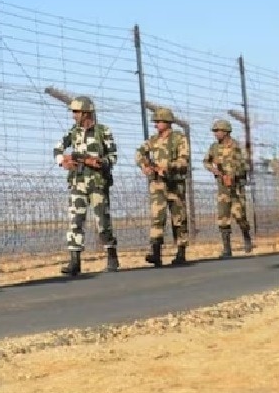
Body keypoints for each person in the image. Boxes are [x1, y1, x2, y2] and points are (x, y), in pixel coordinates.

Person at [54, 96, 119, 276]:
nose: (73, 116)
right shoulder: (73, 132)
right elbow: (58, 147)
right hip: (77, 181)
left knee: (102, 222)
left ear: (86, 112)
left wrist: (100, 162)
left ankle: (111, 253)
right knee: (75, 220)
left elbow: (113, 156)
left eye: (76, 112)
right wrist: (62, 161)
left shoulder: (102, 131)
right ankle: (75, 261)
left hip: (97, 182)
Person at [135, 107, 190, 266]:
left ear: (168, 122)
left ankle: (181, 251)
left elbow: (184, 159)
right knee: (157, 216)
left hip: (175, 184)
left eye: (159, 122)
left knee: (178, 218)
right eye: (155, 122)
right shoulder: (153, 140)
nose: (156, 125)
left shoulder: (179, 138)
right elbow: (139, 153)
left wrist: (169, 166)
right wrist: (145, 165)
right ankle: (156, 252)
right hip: (157, 183)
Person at [202, 118, 254, 257]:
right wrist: (215, 171)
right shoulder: (214, 147)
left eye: (218, 131)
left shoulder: (236, 147)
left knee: (239, 215)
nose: (216, 134)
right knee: (223, 216)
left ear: (226, 131)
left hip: (236, 188)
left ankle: (246, 236)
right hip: (223, 188)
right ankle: (227, 248)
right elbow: (206, 162)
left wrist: (233, 175)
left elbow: (245, 166)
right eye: (215, 131)